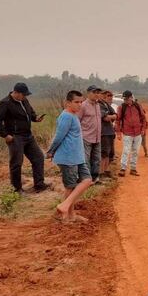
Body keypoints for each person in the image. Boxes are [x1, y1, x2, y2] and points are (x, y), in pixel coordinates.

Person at [0, 82, 48, 194]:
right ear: (16, 92)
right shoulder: (5, 103)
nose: (25, 97)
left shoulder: (24, 100)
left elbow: (30, 113)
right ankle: (16, 189)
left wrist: (35, 118)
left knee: (38, 157)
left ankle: (39, 184)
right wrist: (5, 135)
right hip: (15, 137)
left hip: (28, 135)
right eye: (23, 94)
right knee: (17, 163)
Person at [47, 90, 93, 223]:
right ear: (68, 103)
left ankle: (65, 207)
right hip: (68, 157)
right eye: (76, 102)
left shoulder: (73, 115)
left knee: (87, 180)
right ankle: (67, 216)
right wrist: (51, 151)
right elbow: (58, 137)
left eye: (81, 102)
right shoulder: (66, 116)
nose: (79, 105)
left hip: (77, 157)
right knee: (70, 186)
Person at [115, 90, 148, 176]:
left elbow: (143, 118)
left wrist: (143, 129)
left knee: (135, 151)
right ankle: (123, 168)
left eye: (126, 98)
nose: (125, 100)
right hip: (127, 132)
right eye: (124, 99)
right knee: (126, 150)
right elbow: (118, 120)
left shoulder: (137, 106)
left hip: (138, 132)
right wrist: (118, 132)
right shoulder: (121, 107)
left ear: (130, 97)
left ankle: (133, 168)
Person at [76, 85, 103, 183]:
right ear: (88, 93)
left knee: (96, 159)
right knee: (85, 159)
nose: (96, 94)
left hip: (97, 137)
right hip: (86, 137)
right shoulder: (83, 105)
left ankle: (95, 178)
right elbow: (77, 120)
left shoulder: (97, 105)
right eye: (94, 92)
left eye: (98, 92)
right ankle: (86, 179)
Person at [99, 90, 117, 177]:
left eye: (110, 95)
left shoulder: (106, 105)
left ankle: (105, 171)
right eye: (107, 95)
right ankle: (101, 172)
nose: (109, 97)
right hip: (103, 132)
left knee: (111, 153)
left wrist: (111, 116)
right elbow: (105, 118)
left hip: (110, 131)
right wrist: (111, 117)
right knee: (104, 153)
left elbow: (115, 115)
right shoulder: (99, 105)